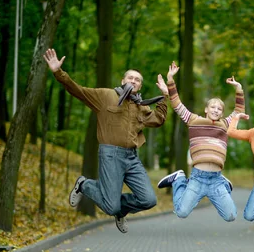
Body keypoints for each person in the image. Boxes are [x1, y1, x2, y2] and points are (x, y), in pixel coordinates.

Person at [43, 48, 169, 234]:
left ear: (140, 86)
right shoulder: (105, 96)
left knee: (149, 200)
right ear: (122, 81)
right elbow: (78, 91)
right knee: (110, 207)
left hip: (132, 158)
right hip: (110, 155)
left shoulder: (141, 107)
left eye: (137, 80)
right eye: (130, 78)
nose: (133, 81)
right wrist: (58, 72)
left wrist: (165, 96)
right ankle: (85, 185)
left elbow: (158, 120)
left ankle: (121, 210)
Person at [156, 62, 244, 221]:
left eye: (219, 109)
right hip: (197, 178)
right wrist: (170, 79)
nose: (216, 110)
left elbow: (238, 111)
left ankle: (224, 183)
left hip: (216, 179)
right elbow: (177, 104)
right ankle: (179, 180)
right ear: (206, 109)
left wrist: (238, 88)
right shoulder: (194, 120)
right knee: (181, 212)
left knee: (231, 216)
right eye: (213, 107)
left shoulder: (225, 124)